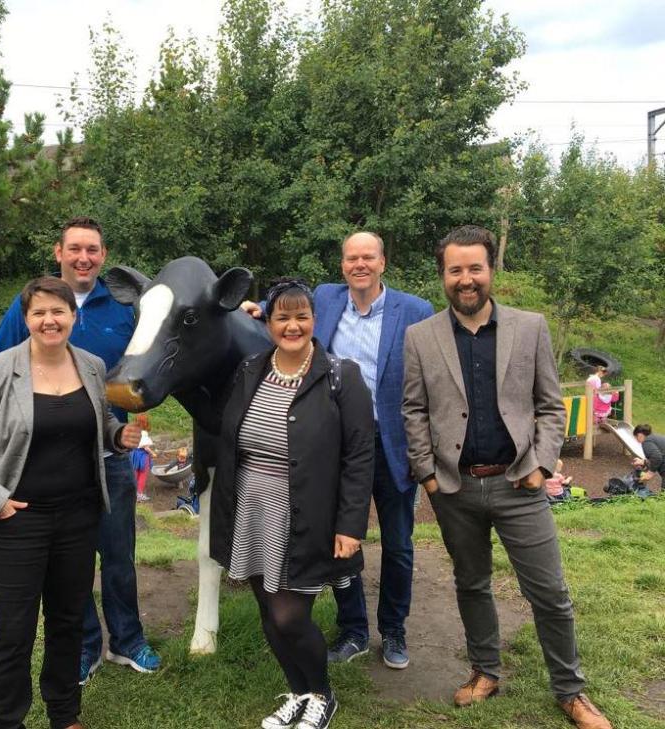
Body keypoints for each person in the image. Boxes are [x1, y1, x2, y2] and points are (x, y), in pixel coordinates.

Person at [402, 225, 612, 729]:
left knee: (550, 593)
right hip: (454, 488)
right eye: (456, 270)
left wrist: (541, 464)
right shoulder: (421, 337)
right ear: (444, 276)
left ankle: (570, 690)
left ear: (491, 270)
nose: (466, 279)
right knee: (471, 583)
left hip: (519, 483)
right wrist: (429, 476)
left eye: (475, 268)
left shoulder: (530, 327)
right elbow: (413, 410)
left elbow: (548, 405)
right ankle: (485, 672)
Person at [0, 276, 143, 729]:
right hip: (17, 521)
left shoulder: (91, 366)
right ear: (27, 319)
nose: (49, 321)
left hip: (78, 517)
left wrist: (116, 434)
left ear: (72, 318)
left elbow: (100, 419)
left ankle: (64, 713)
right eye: (39, 313)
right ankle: (7, 720)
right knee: (14, 630)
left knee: (68, 621)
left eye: (58, 312)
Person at [243, 231, 433, 669]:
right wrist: (256, 313)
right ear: (342, 264)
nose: (359, 265)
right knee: (339, 543)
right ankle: (354, 630)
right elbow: (291, 321)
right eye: (351, 258)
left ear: (383, 262)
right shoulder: (326, 299)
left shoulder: (415, 311)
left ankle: (394, 630)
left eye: (368, 257)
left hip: (390, 445)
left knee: (399, 544)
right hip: (335, 448)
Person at [0, 216, 161, 684]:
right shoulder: (31, 307)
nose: (84, 258)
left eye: (93, 250)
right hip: (50, 467)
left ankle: (128, 641)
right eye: (75, 249)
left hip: (110, 458)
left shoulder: (124, 307)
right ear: (58, 253)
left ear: (104, 256)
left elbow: (167, 342)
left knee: (119, 556)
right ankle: (85, 647)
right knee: (70, 565)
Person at [212, 279, 375, 729]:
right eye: (282, 316)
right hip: (252, 505)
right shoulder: (251, 368)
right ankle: (298, 690)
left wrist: (350, 526)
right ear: (267, 321)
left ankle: (321, 695)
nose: (292, 325)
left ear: (314, 321)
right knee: (267, 608)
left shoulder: (342, 374)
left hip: (306, 509)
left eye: (301, 316)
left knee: (288, 613)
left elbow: (360, 456)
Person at [130, 413, 157, 502]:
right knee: (142, 475)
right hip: (142, 456)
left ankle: (133, 493)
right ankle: (139, 494)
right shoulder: (144, 433)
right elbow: (145, 447)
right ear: (145, 423)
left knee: (135, 474)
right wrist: (152, 453)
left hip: (134, 454)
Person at [633, 424, 665, 489]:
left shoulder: (647, 441)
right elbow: (659, 455)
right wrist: (644, 462)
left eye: (636, 437)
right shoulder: (654, 437)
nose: (637, 440)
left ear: (639, 435)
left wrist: (650, 473)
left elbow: (657, 457)